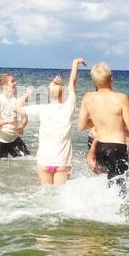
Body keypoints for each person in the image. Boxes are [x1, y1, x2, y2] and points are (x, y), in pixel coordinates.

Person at [24, 58, 86, 186]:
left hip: (44, 161)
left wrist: (25, 95)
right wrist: (75, 63)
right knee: (59, 199)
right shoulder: (69, 106)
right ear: (62, 93)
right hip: (62, 162)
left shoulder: (42, 108)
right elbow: (72, 85)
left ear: (48, 93)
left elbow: (17, 108)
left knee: (46, 196)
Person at [78, 62, 129, 187]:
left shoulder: (87, 97)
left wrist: (98, 120)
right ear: (111, 78)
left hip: (99, 149)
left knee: (109, 185)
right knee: (121, 190)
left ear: (94, 82)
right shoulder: (122, 98)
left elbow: (81, 126)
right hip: (117, 149)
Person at [0, 73, 33, 158]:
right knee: (1, 168)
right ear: (5, 86)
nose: (15, 83)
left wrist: (22, 126)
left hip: (14, 139)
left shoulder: (16, 101)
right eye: (12, 81)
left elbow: (25, 118)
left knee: (29, 159)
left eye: (15, 81)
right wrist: (7, 120)